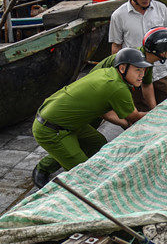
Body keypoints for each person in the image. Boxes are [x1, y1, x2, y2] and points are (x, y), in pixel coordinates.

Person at [31, 48, 151, 188]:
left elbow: (109, 111)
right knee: (84, 173)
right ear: (123, 68)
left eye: (143, 70)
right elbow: (134, 117)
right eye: (137, 70)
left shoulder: (108, 72)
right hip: (50, 128)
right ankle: (47, 172)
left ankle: (66, 160)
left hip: (68, 121)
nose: (142, 74)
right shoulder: (117, 87)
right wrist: (159, 112)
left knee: (96, 143)